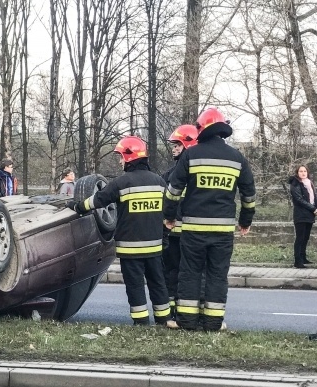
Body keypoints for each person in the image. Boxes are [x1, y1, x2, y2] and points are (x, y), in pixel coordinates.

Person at [163, 108, 256, 332]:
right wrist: (245, 220)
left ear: (201, 130)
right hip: (223, 231)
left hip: (193, 228)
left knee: (190, 273)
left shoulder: (191, 155)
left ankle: (187, 322)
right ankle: (213, 323)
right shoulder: (237, 157)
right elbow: (249, 194)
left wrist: (169, 216)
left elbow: (173, 190)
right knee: (217, 274)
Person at [68, 136, 170, 325]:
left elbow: (97, 201)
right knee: (158, 283)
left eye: (121, 157)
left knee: (135, 286)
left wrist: (77, 207)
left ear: (129, 157)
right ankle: (164, 319)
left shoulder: (122, 183)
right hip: (155, 248)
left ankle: (141, 323)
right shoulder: (159, 182)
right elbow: (169, 211)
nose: (120, 161)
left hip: (130, 250)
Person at [161, 124, 198, 322]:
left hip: (180, 233)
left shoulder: (176, 175)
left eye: (178, 145)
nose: (174, 149)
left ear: (189, 145)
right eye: (174, 145)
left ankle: (177, 313)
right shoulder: (169, 174)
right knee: (176, 273)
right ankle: (176, 312)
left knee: (177, 273)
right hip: (180, 234)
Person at [289, 165, 317, 268]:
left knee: (306, 237)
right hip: (300, 214)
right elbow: (299, 200)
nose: (303, 173)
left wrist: (315, 208)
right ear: (297, 173)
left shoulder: (309, 183)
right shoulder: (295, 184)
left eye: (305, 171)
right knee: (300, 238)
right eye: (301, 171)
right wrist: (313, 209)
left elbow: (314, 197)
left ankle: (303, 257)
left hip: (309, 214)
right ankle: (297, 261)